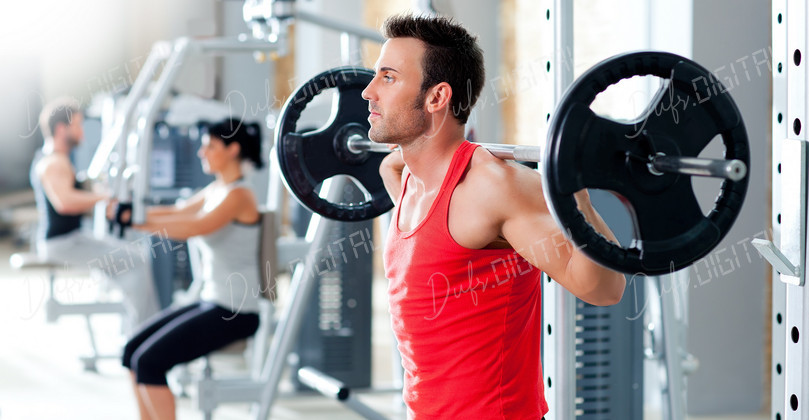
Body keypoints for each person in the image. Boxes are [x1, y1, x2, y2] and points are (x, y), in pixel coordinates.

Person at [363, 14, 627, 419]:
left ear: (437, 98)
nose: (368, 92)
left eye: (388, 78)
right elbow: (392, 169)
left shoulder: (494, 187)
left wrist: (578, 196)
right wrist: (413, 155)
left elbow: (605, 289)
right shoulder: (407, 177)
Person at [120, 118, 264, 420]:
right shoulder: (217, 189)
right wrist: (131, 209)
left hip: (236, 311)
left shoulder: (240, 195)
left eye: (209, 146)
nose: (201, 153)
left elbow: (195, 226)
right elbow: (176, 212)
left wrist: (135, 221)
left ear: (232, 149)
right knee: (131, 351)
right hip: (211, 301)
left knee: (149, 362)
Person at [31, 97, 160, 328]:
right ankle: (144, 334)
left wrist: (99, 197)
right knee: (136, 260)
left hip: (70, 238)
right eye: (78, 125)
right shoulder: (54, 163)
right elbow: (64, 203)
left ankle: (137, 326)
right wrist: (104, 198)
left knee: (131, 258)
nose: (82, 131)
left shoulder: (55, 159)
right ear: (61, 129)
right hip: (63, 244)